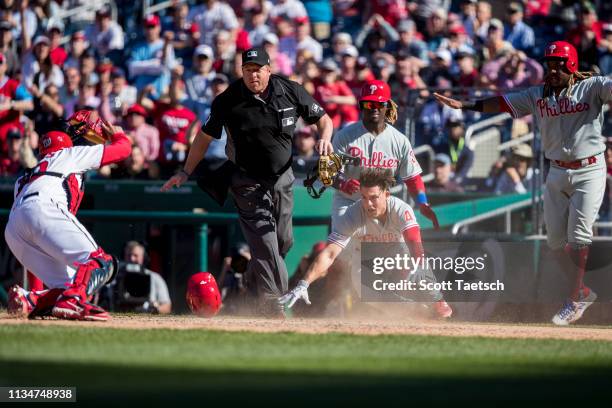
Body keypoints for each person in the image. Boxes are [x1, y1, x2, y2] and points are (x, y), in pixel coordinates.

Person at [433, 40, 612, 326]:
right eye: (550, 64)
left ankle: (577, 295)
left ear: (572, 65)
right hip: (555, 170)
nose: (552, 70)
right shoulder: (537, 94)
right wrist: (465, 105)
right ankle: (582, 289)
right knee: (554, 239)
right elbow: (503, 103)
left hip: (590, 168)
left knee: (578, 235)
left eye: (558, 65)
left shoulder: (591, 87)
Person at [161, 47, 334, 317]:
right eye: (247, 70)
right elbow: (204, 138)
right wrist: (185, 171)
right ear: (242, 72)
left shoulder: (290, 90)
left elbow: (323, 119)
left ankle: (250, 283)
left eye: (258, 69)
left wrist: (325, 137)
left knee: (283, 242)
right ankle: (271, 301)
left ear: (269, 69)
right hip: (246, 179)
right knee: (265, 242)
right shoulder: (228, 99)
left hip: (283, 176)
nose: (253, 75)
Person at [278, 168, 452, 318]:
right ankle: (421, 314)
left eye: (374, 197)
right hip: (364, 259)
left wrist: (419, 273)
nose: (368, 204)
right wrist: (304, 283)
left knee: (420, 265)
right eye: (364, 197)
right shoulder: (353, 214)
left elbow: (414, 242)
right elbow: (330, 253)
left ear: (386, 194)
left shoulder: (401, 209)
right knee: (373, 296)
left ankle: (439, 303)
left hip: (397, 255)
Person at [5, 116, 131, 321]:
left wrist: (35, 289)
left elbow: (36, 234)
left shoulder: (26, 176)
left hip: (13, 228)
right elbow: (123, 150)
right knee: (101, 261)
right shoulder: (69, 153)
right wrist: (118, 134)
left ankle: (32, 300)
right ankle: (73, 300)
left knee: (70, 284)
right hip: (43, 207)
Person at [119, 241, 171, 314]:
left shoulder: (155, 278)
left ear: (143, 257)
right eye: (129, 255)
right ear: (123, 256)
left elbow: (167, 306)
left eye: (135, 255)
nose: (132, 259)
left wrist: (154, 310)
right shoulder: (115, 278)